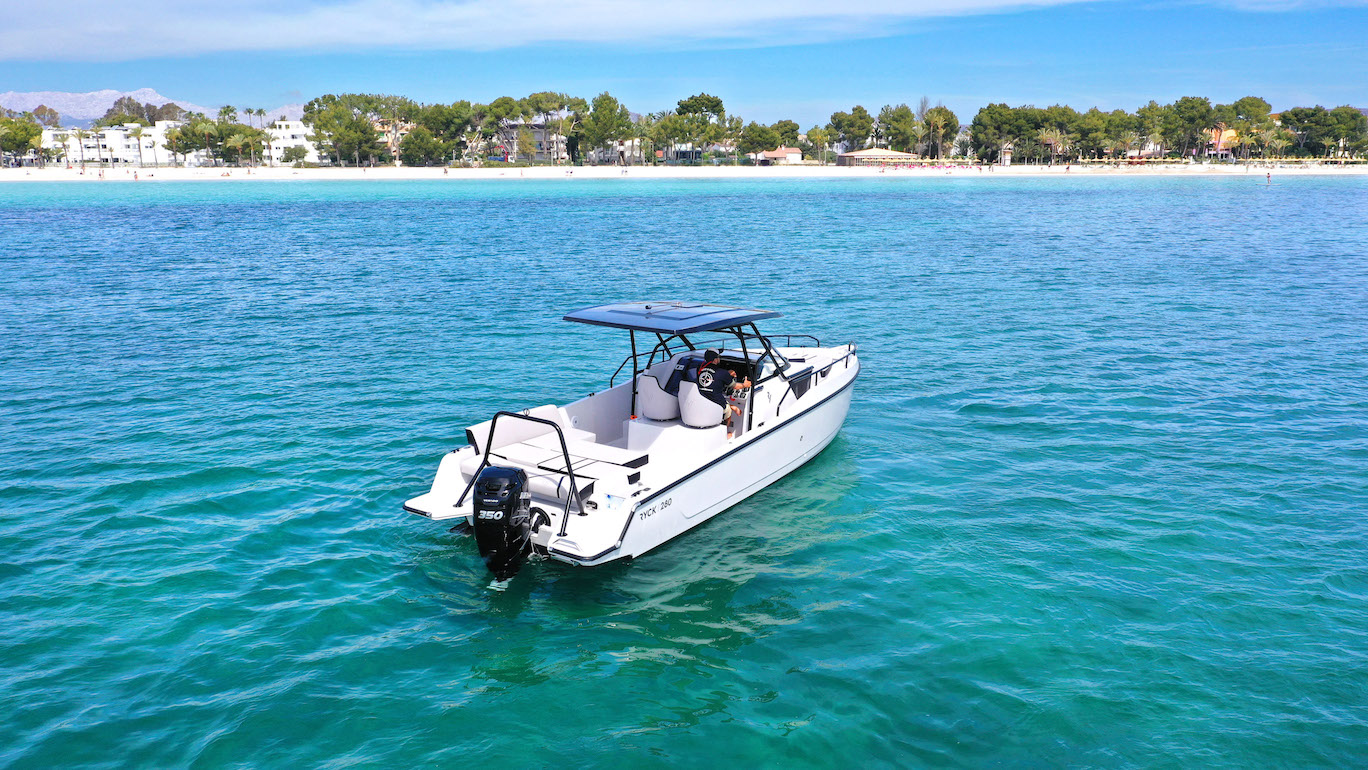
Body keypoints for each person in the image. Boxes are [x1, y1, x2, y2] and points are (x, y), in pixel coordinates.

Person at [697, 349, 751, 437]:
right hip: (715, 402)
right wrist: (745, 385)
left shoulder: (699, 369)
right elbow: (736, 386)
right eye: (718, 357)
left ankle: (732, 406)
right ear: (715, 360)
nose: (719, 359)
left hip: (702, 400)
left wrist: (727, 374)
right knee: (728, 411)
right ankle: (724, 434)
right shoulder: (722, 373)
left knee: (721, 401)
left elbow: (714, 377)